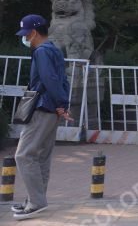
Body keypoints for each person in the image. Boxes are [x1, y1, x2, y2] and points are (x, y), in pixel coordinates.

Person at [13, 15, 72, 221]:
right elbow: (61, 79)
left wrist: (60, 103)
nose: (25, 38)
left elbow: (49, 79)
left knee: (24, 155)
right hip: (52, 109)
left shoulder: (41, 51)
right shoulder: (54, 49)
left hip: (41, 107)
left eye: (26, 34)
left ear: (34, 33)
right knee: (41, 156)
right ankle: (34, 200)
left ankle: (36, 202)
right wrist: (63, 104)